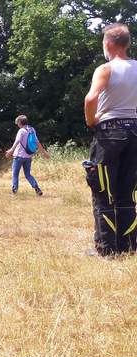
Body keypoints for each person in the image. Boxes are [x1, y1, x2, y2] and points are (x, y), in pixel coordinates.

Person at [83, 23, 137, 256]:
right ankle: (129, 246)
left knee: (103, 190)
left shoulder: (105, 69)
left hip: (109, 133)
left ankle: (107, 249)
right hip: (134, 132)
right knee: (128, 191)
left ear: (109, 44)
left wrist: (91, 120)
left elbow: (90, 98)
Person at [6, 115, 49, 196]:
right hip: (28, 156)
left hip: (18, 156)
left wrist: (11, 150)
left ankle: (14, 191)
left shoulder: (21, 131)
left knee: (15, 174)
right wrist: (43, 152)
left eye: (17, 122)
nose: (17, 124)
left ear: (19, 122)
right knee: (28, 174)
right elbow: (37, 142)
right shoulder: (32, 129)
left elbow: (18, 141)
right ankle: (37, 188)